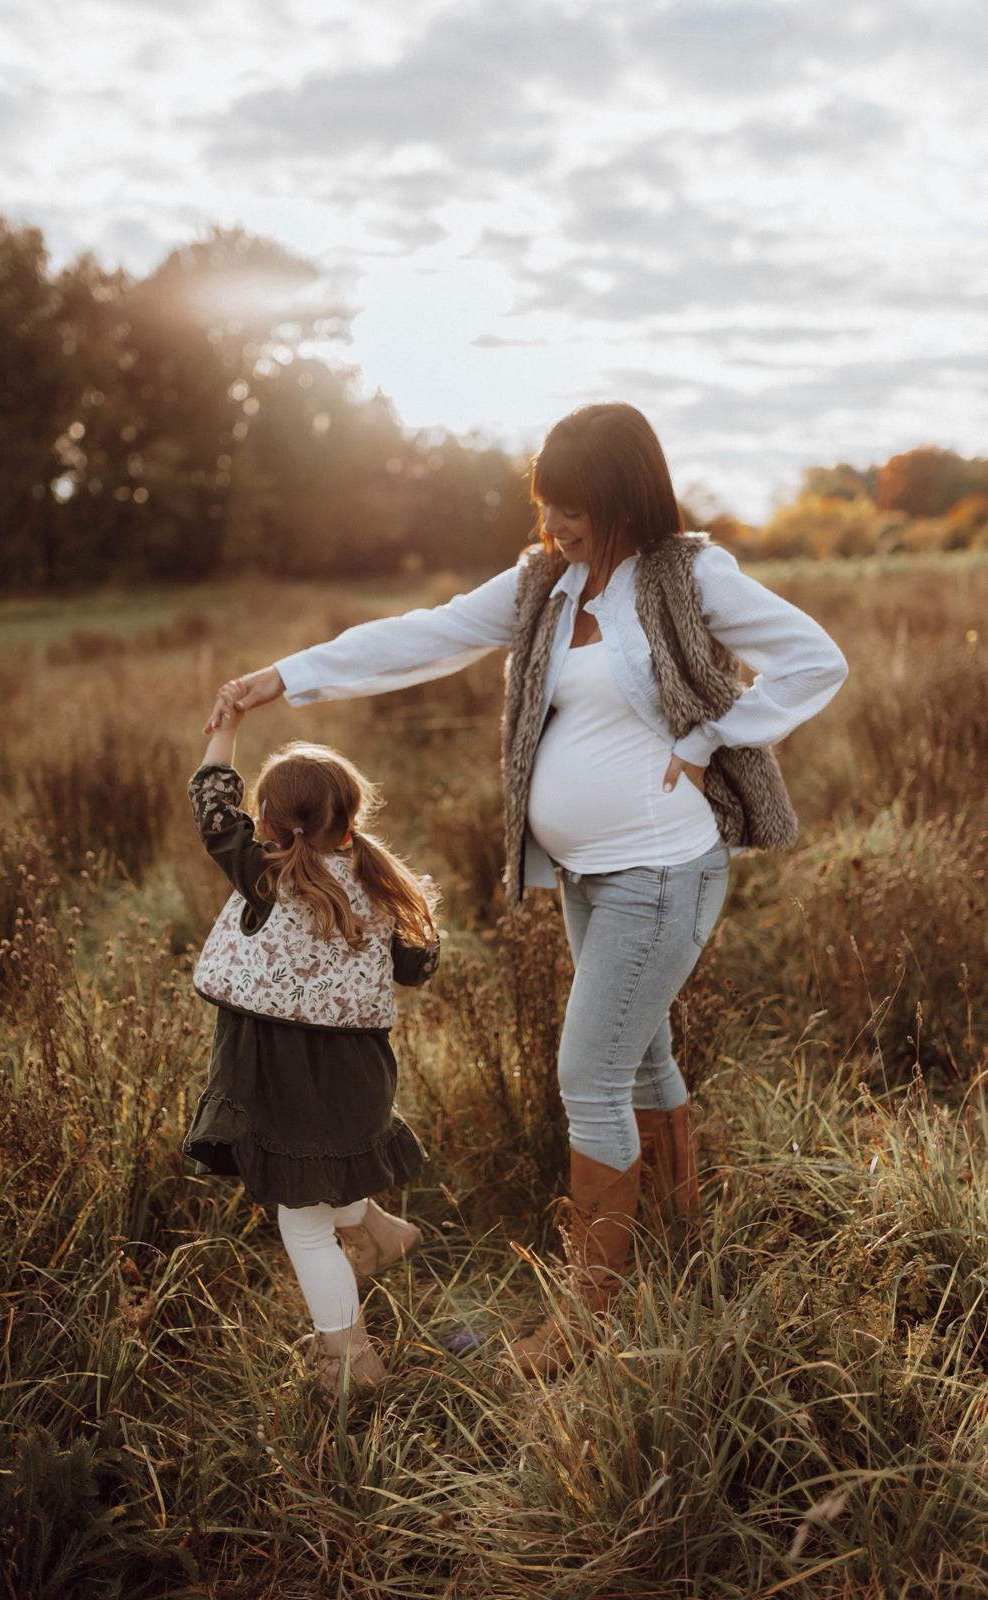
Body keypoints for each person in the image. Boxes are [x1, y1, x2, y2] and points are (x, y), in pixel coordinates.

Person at [204, 402, 849, 1378]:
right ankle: (674, 1249)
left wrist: (711, 737)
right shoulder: (544, 583)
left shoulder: (688, 575)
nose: (554, 525)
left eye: (573, 508)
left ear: (623, 496)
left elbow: (814, 658)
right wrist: (284, 677)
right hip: (591, 875)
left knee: (588, 1077)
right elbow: (422, 636)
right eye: (546, 505)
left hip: (663, 870)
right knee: (640, 1065)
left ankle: (589, 1315)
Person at [183, 701, 440, 1395]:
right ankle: (382, 1232)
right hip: (360, 1079)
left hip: (279, 1079)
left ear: (266, 823)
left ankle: (349, 1360)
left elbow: (213, 808)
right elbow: (417, 969)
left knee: (303, 1227)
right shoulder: (384, 883)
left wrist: (226, 730)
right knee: (326, 1175)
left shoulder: (265, 874)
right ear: (350, 816)